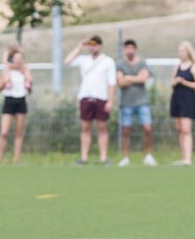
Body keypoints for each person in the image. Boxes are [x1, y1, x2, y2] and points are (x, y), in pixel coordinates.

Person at [64, 35, 117, 165]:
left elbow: (112, 82)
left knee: (102, 127)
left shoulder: (108, 61)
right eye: (90, 45)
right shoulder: (84, 60)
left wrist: (110, 100)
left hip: (102, 97)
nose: (93, 48)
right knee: (85, 127)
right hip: (86, 96)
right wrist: (79, 47)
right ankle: (84, 157)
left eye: (95, 45)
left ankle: (103, 158)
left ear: (100, 45)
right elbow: (67, 61)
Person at [116, 40, 157, 167]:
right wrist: (135, 78)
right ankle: (125, 157)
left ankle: (148, 156)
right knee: (125, 130)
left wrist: (128, 77)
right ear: (124, 50)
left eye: (131, 48)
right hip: (126, 103)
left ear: (135, 49)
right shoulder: (120, 64)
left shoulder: (143, 63)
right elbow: (120, 82)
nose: (129, 50)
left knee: (147, 128)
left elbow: (143, 79)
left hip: (142, 102)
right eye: (127, 48)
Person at [0, 46, 32, 165]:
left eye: (20, 58)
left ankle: (16, 159)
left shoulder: (25, 71)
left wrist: (27, 77)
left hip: (21, 101)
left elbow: (30, 87)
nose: (18, 61)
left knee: (19, 133)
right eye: (16, 58)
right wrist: (5, 82)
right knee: (4, 132)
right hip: (9, 101)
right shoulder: (6, 72)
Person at [169, 41, 195, 166]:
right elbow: (171, 82)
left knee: (186, 129)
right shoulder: (177, 66)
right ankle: (183, 157)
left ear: (188, 52)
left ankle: (188, 158)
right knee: (179, 128)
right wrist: (176, 81)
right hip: (176, 99)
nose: (180, 53)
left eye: (183, 51)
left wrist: (184, 82)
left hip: (188, 100)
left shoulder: (194, 66)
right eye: (179, 51)